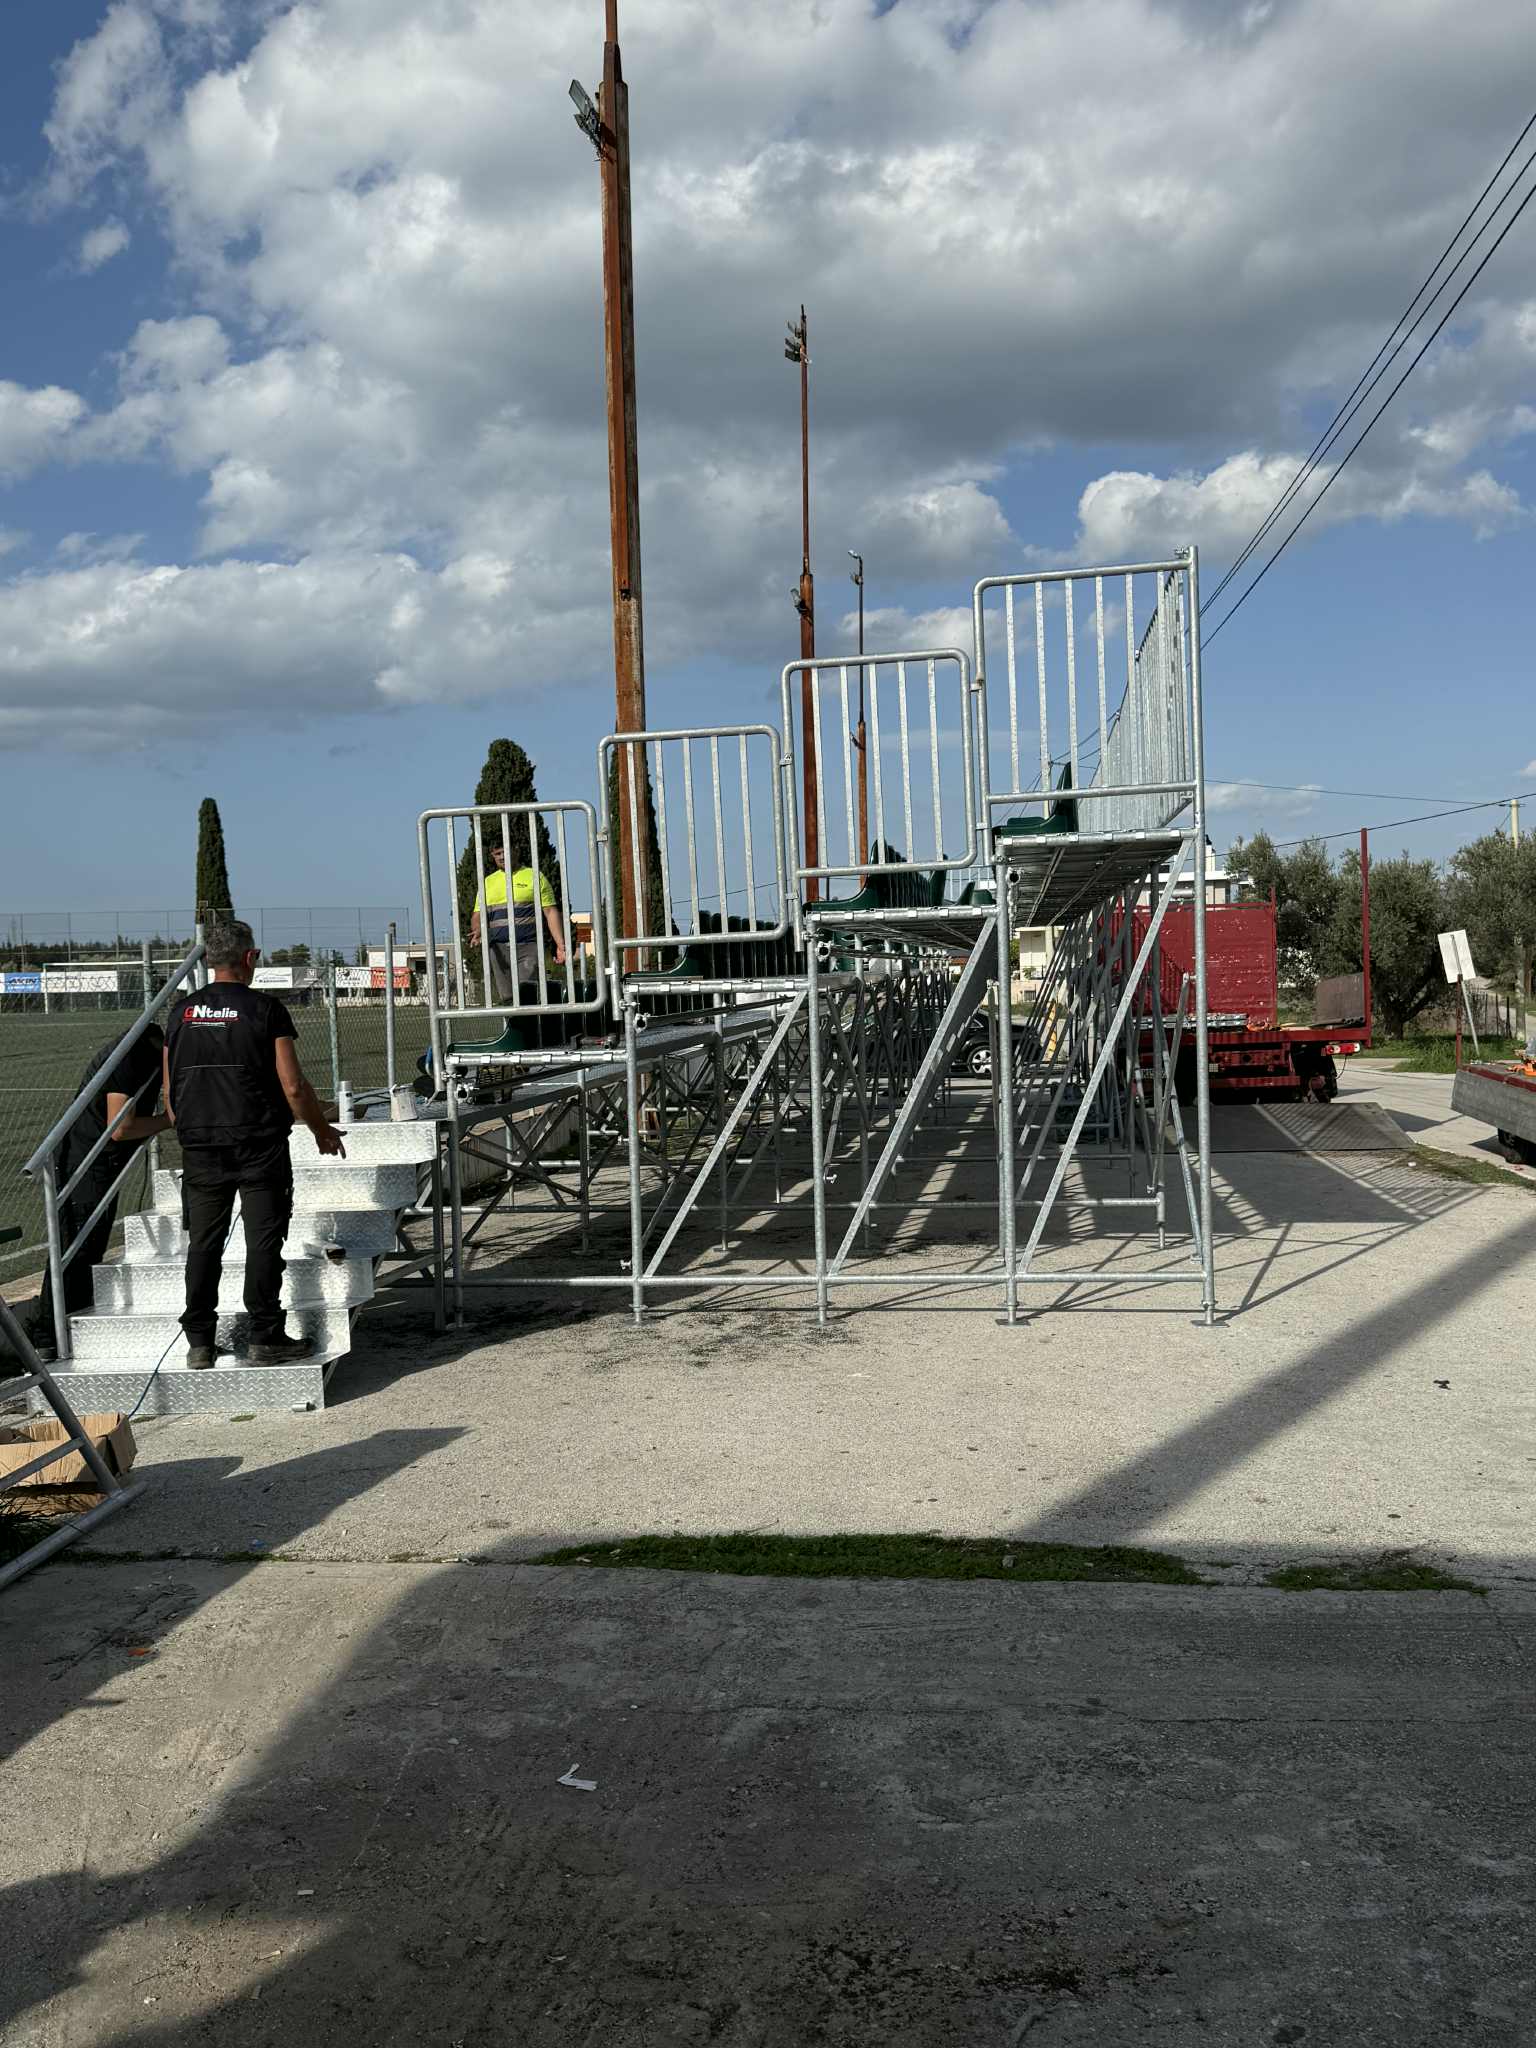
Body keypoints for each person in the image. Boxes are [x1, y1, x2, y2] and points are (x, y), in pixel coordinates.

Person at [163, 920, 345, 1369]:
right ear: (249, 958)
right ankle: (265, 1335)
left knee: (203, 1244)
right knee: (263, 1240)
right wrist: (321, 1129)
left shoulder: (180, 1012)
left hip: (200, 1144)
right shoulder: (266, 1009)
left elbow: (170, 1093)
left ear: (209, 960)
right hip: (258, 1143)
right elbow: (293, 1086)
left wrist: (193, 1125)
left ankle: (199, 1342)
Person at [26, 1022, 171, 1363]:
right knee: (76, 1245)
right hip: (85, 1159)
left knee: (89, 1245)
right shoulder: (131, 1057)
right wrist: (169, 1120)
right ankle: (48, 1335)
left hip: (98, 1158)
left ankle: (68, 1325)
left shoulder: (141, 1053)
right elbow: (121, 1127)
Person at [467, 834, 567, 1002]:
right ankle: (513, 1018)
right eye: (497, 853)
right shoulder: (487, 882)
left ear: (516, 850)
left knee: (526, 993)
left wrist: (560, 945)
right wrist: (477, 930)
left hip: (528, 946)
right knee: (507, 998)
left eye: (504, 851)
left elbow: (550, 911)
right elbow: (477, 914)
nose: (501, 857)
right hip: (498, 949)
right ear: (492, 856)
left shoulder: (534, 876)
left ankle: (530, 1018)